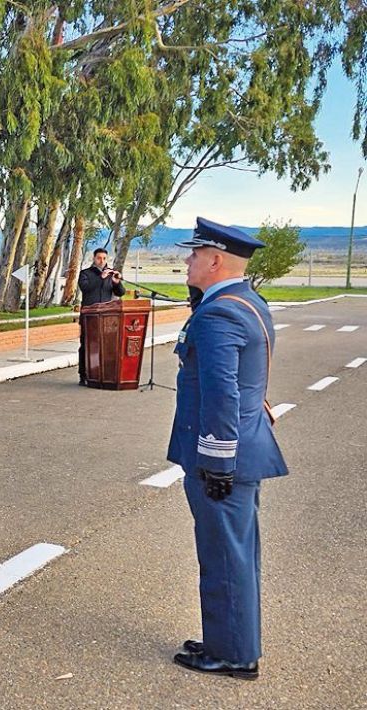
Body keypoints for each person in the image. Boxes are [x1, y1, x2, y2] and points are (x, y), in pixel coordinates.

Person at [167, 218, 287, 681]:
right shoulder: (243, 302)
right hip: (241, 450)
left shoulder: (220, 314)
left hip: (222, 458)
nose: (187, 260)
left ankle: (233, 655)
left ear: (215, 260)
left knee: (223, 555)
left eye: (195, 254)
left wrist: (216, 462)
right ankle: (228, 640)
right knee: (232, 552)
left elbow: (222, 393)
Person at [76, 247, 126, 384]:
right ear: (94, 258)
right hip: (89, 316)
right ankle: (84, 375)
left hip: (108, 317)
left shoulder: (111, 274)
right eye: (99, 258)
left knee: (107, 345)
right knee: (87, 345)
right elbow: (85, 288)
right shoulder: (85, 273)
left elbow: (120, 293)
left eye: (104, 258)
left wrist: (117, 282)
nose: (102, 261)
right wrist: (100, 278)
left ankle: (104, 374)